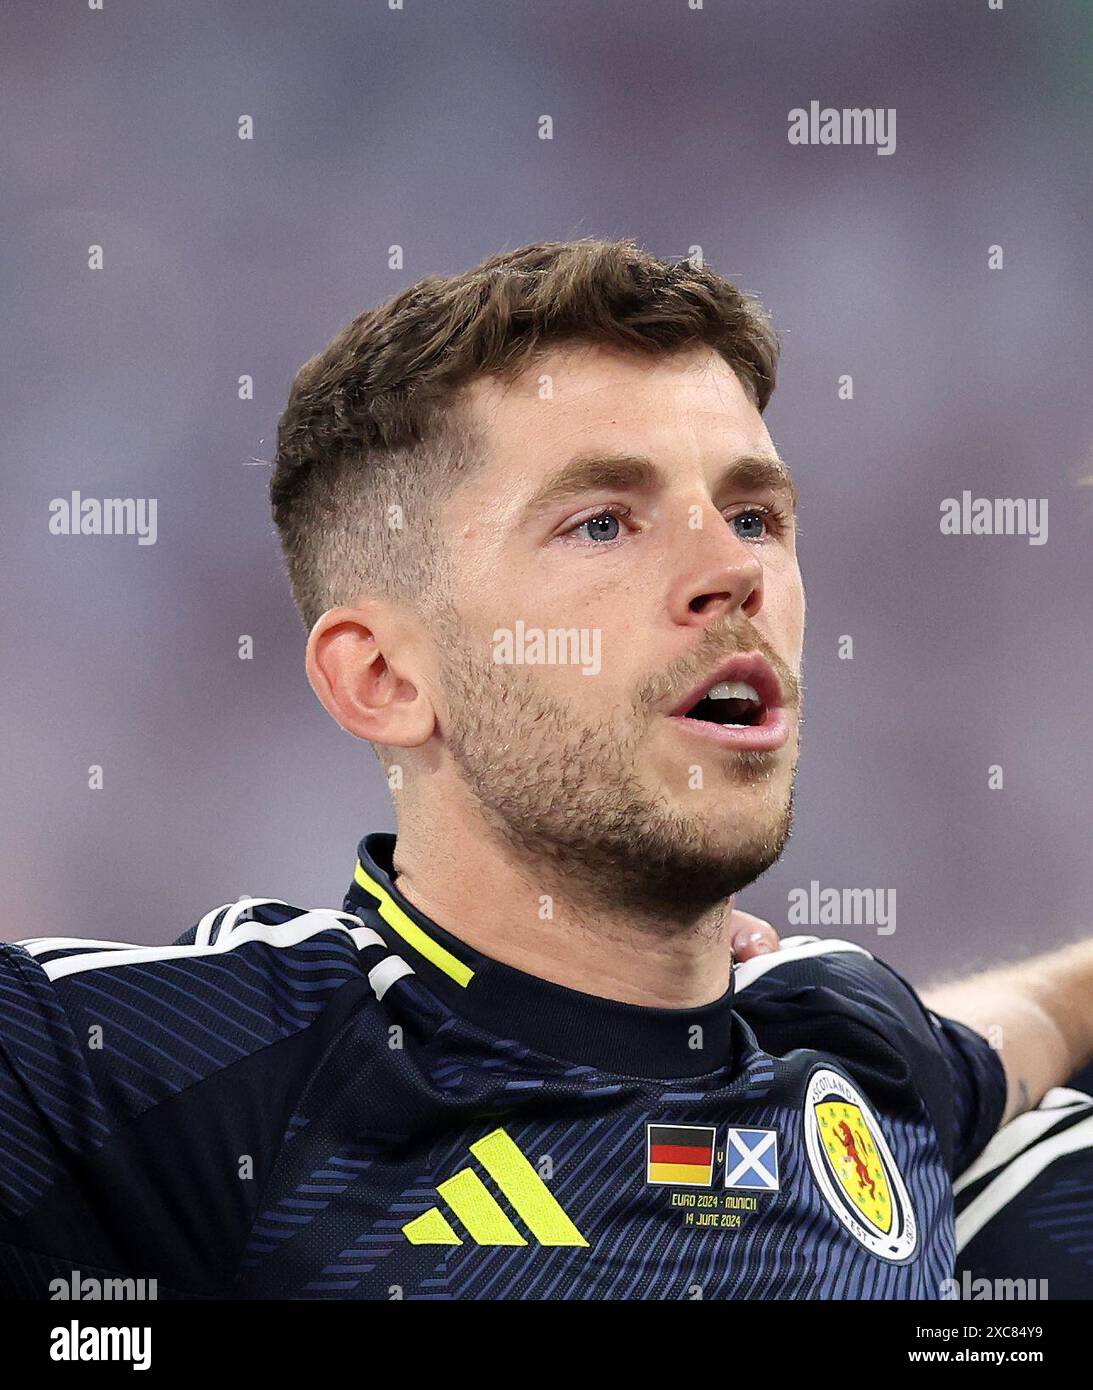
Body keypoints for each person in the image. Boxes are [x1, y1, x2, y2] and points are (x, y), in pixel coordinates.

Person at [2, 239, 1089, 1300]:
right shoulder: (168, 1074)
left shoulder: (851, 1040)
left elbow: (1027, 1021)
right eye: (604, 522)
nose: (731, 570)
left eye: (753, 515)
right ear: (381, 676)